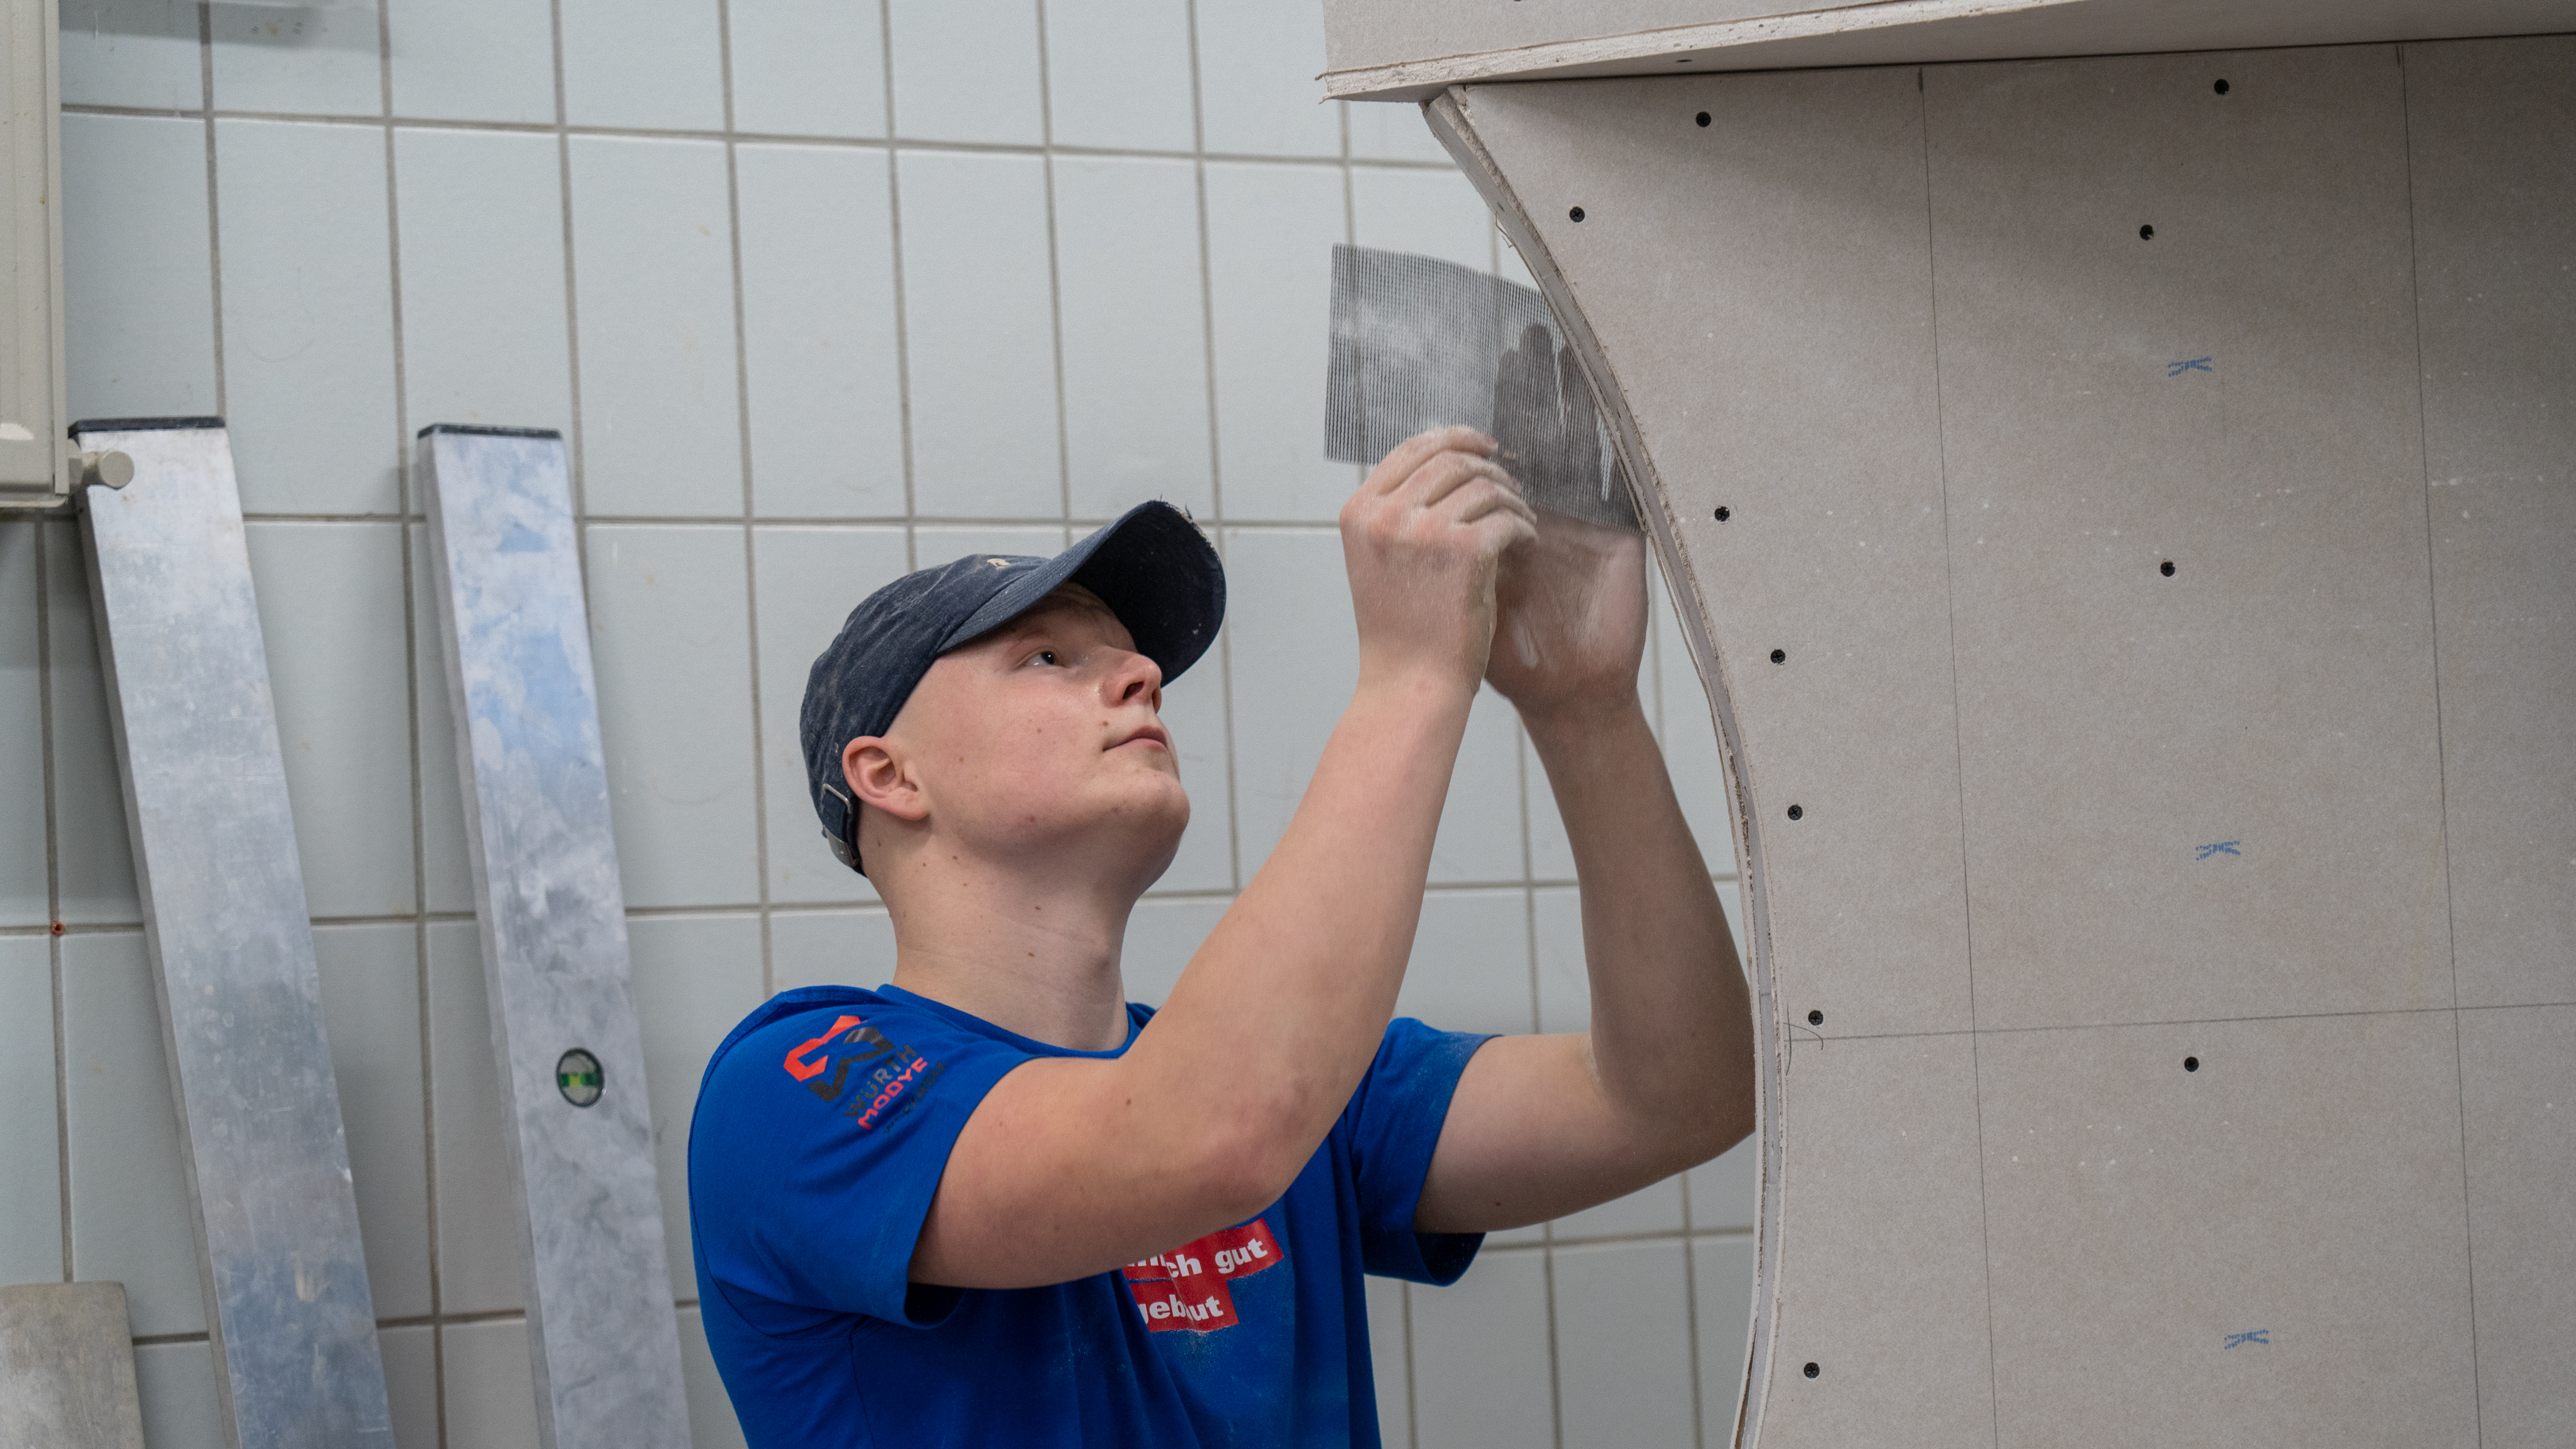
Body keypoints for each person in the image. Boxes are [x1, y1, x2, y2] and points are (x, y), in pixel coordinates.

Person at [688, 428, 1754, 1447]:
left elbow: (1679, 1097)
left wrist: (1584, 705)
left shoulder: (1302, 1076)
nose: (1141, 674)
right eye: (1049, 654)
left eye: (1131, 655)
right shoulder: (791, 1091)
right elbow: (1202, 1137)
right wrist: (1412, 676)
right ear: (890, 776)